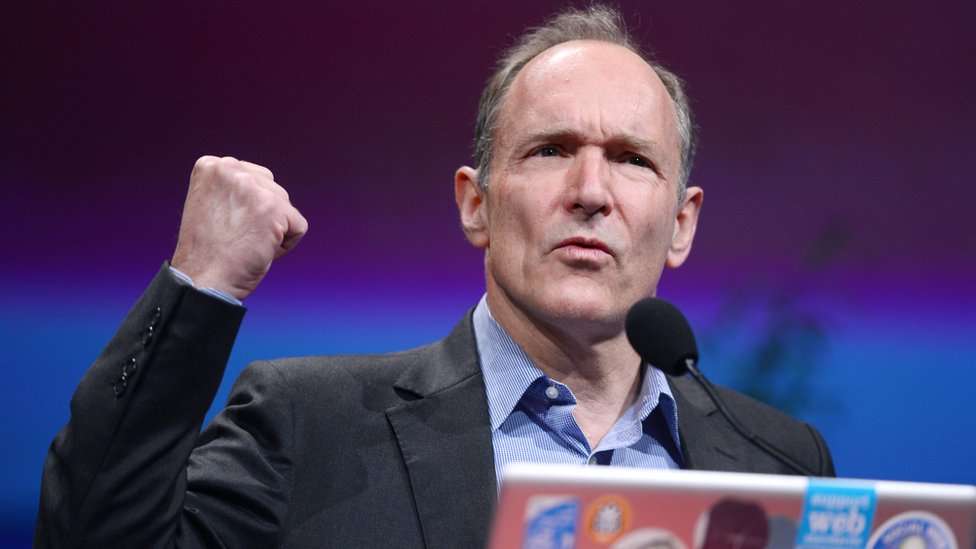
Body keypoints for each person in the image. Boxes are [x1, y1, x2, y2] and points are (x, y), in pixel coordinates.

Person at [35, 5, 834, 548]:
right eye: (551, 149)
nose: (591, 191)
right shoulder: (307, 426)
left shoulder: (780, 463)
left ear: (681, 223)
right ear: (475, 204)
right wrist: (199, 284)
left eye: (631, 159)